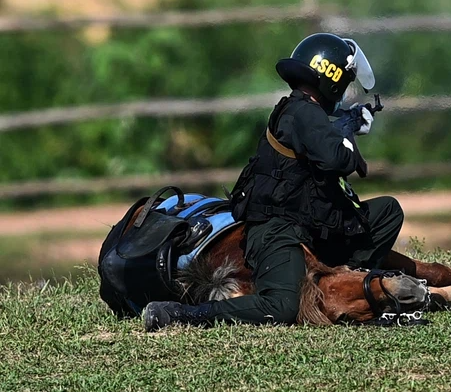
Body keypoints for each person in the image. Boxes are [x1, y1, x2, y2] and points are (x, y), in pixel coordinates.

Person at [143, 33, 404, 331]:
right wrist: (347, 131)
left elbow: (322, 147)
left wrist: (346, 126)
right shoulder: (302, 112)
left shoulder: (306, 113)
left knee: (387, 211)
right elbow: (338, 160)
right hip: (277, 228)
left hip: (308, 223)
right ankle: (183, 314)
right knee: (281, 306)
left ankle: (350, 283)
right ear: (332, 81)